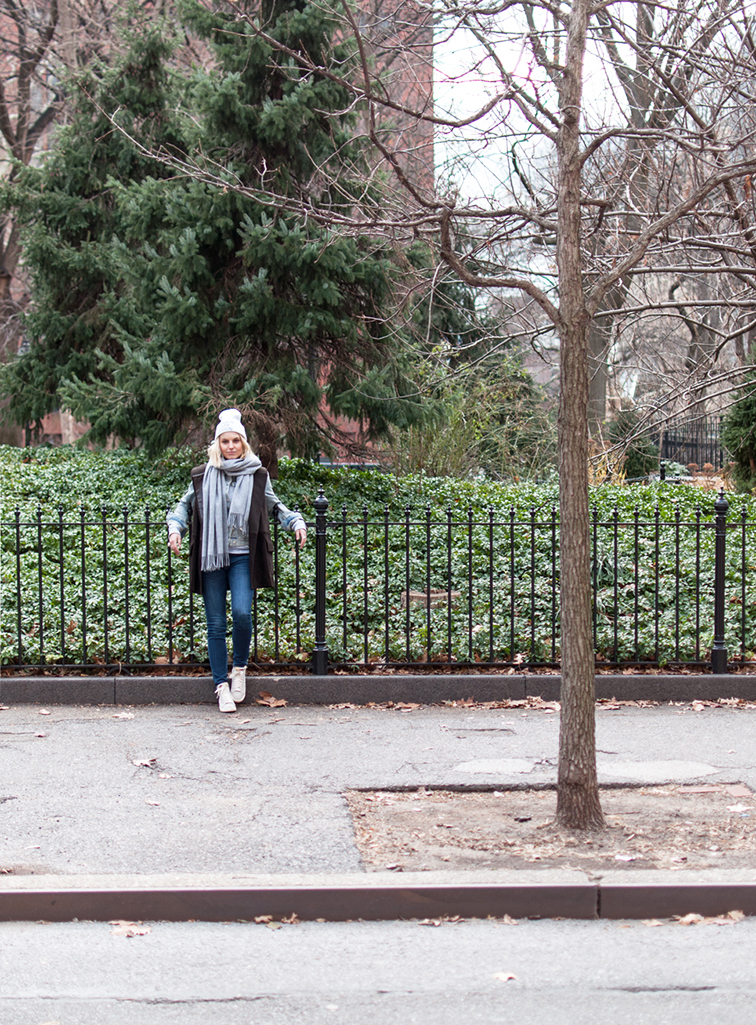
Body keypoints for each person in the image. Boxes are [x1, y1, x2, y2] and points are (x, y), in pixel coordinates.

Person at [167, 409, 306, 712]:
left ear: (243, 443)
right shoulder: (203, 475)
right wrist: (175, 528)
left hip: (243, 555)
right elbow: (183, 506)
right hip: (212, 556)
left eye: (235, 441)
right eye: (225, 441)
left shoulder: (257, 475)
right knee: (216, 624)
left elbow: (274, 506)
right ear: (217, 444)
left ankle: (239, 669)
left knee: (242, 614)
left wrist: (295, 521)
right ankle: (221, 686)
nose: (230, 446)